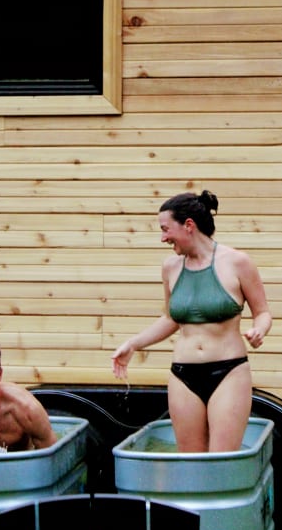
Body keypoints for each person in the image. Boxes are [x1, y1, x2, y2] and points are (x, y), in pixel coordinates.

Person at [111, 190, 272, 453]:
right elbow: (171, 318)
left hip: (228, 372)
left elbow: (263, 312)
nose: (162, 237)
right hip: (183, 375)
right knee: (190, 461)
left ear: (188, 225)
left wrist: (259, 329)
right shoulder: (171, 267)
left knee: (222, 459)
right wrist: (134, 344)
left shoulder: (237, 262)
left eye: (165, 229)